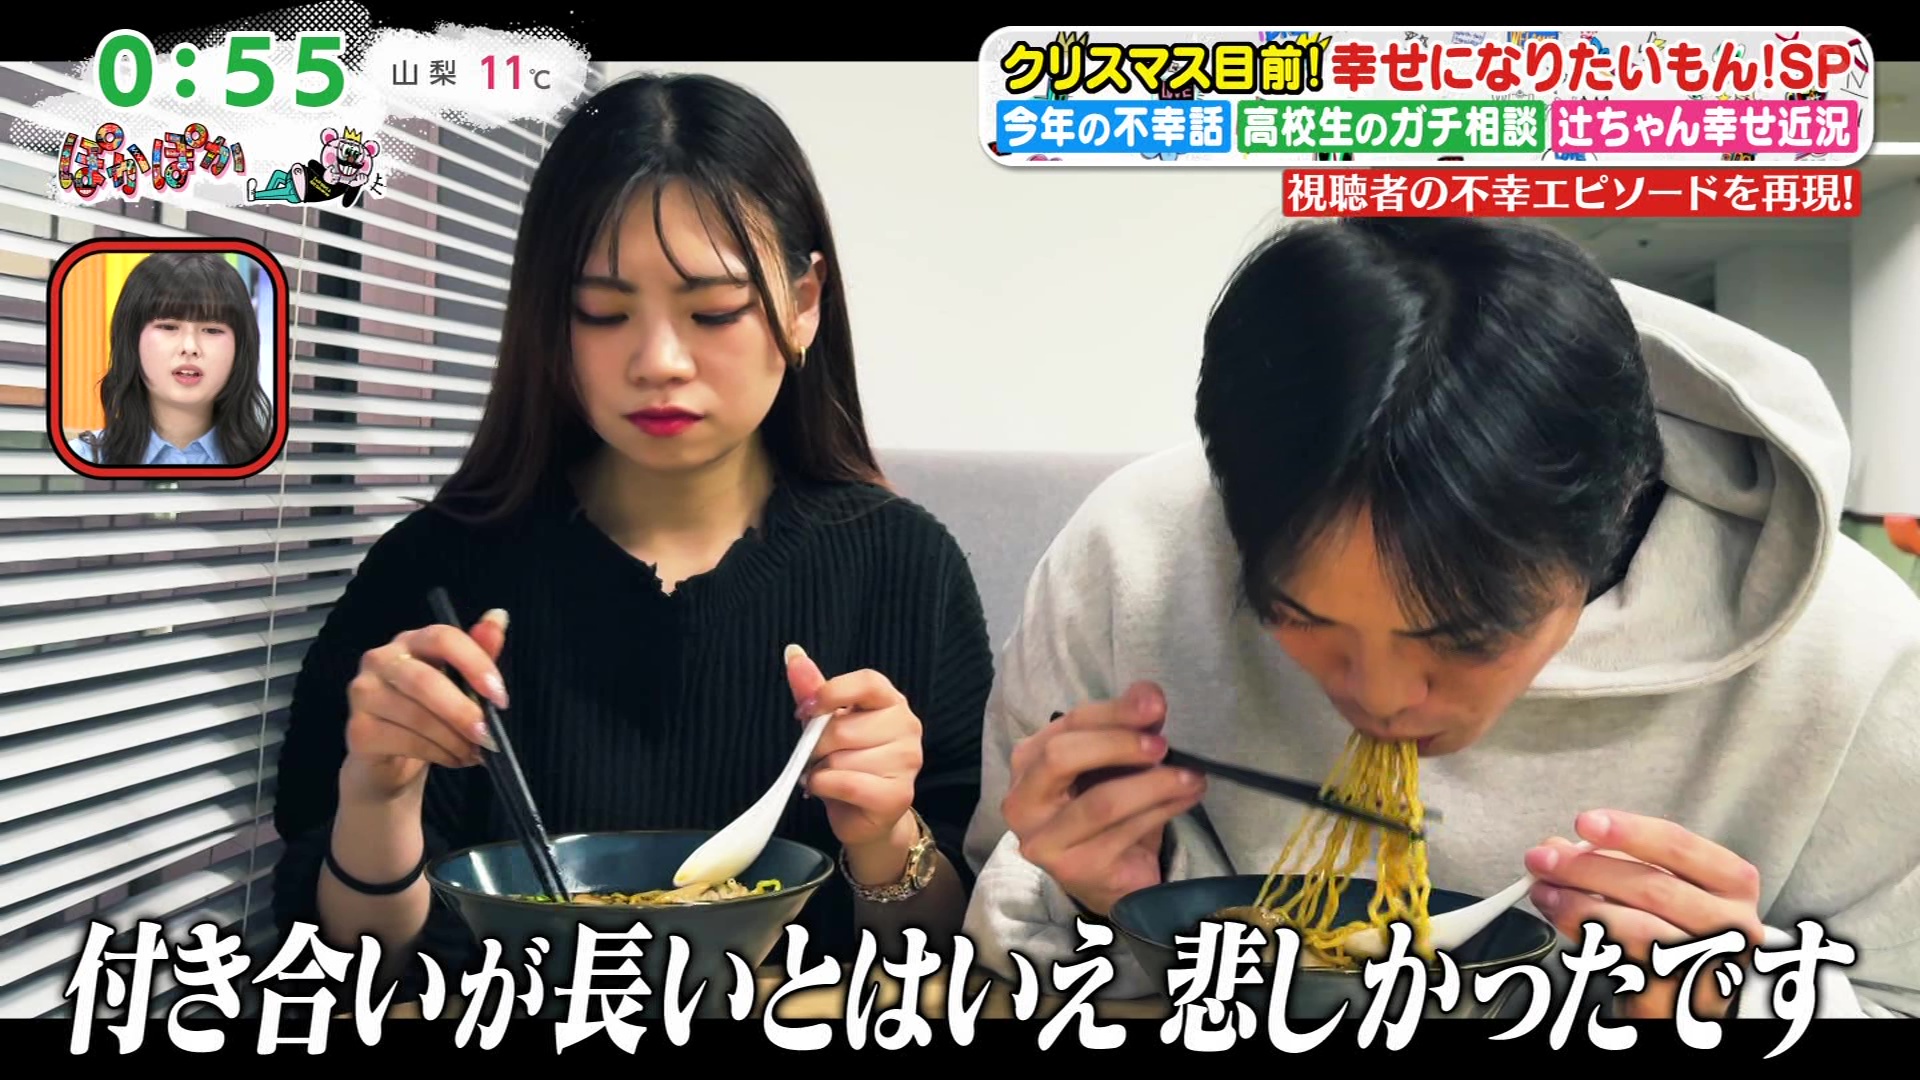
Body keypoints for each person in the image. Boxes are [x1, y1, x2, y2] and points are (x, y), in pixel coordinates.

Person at [962, 216, 1920, 1020]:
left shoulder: (1848, 650)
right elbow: (1000, 967)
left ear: (1616, 513)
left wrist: (1736, 1004)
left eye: (1465, 640)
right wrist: (1108, 906)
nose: (1380, 700)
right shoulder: (1134, 558)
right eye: (1298, 617)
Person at [270, 72, 994, 1001]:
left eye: (714, 310)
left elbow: (949, 957)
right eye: (603, 312)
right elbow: (354, 968)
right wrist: (378, 796)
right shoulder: (432, 573)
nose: (658, 361)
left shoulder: (906, 568)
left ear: (805, 301)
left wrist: (888, 838)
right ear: (550, 318)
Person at [67, 250, 272, 466]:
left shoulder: (272, 465)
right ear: (131, 338)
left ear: (241, 346)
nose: (190, 348)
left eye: (212, 330)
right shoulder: (84, 459)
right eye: (168, 327)